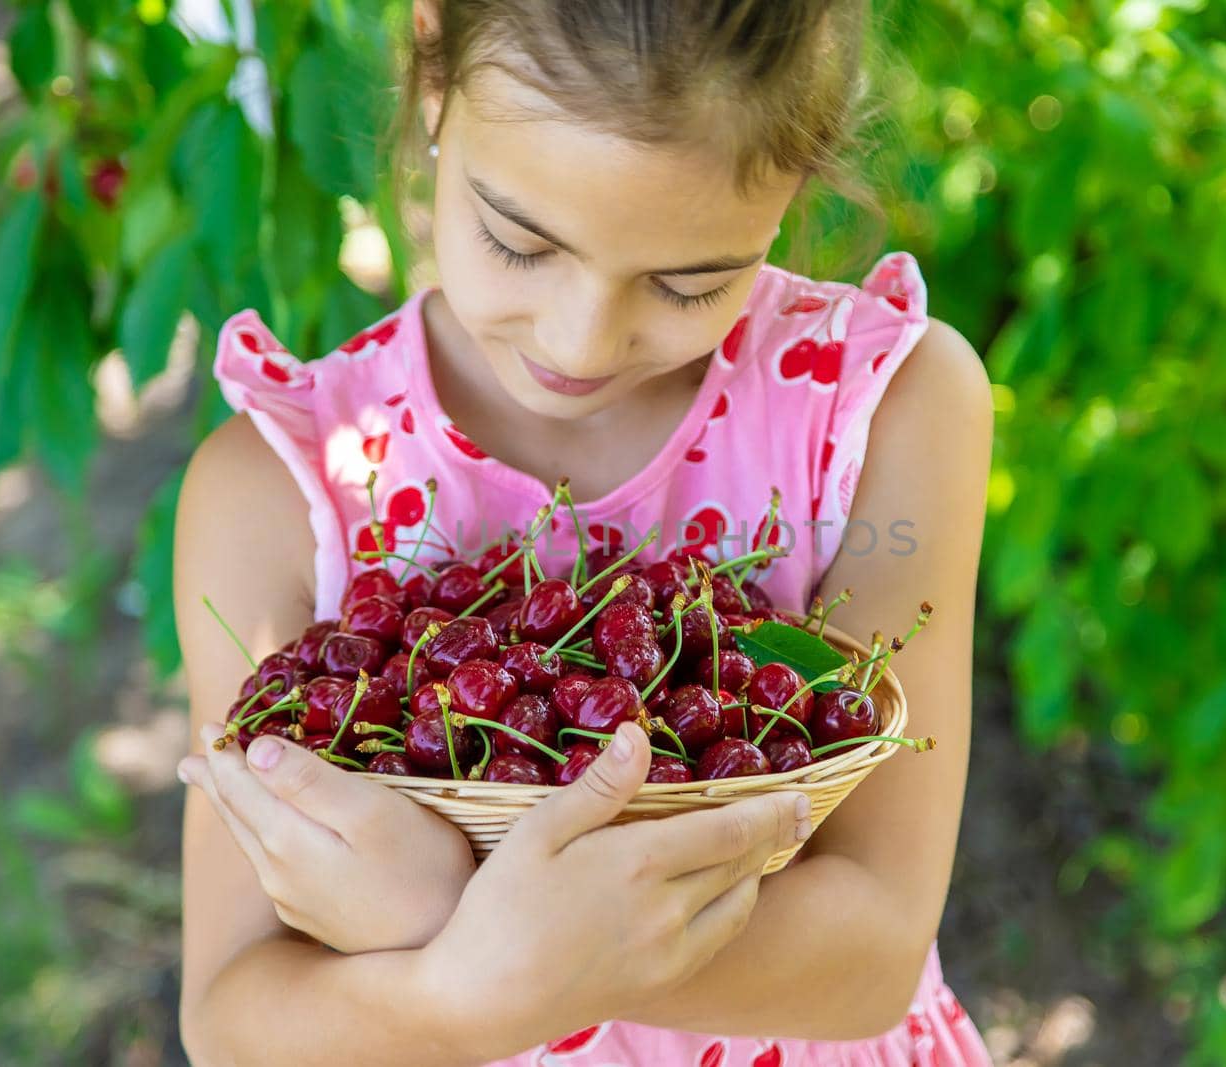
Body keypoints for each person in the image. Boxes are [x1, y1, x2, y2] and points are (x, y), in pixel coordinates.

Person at [171, 2, 994, 1063]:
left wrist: (453, 922)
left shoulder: (882, 407)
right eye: (517, 242)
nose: (581, 339)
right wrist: (468, 989)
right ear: (433, 74)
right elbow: (233, 1016)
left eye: (687, 281)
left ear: (795, 180)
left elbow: (873, 951)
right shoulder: (280, 489)